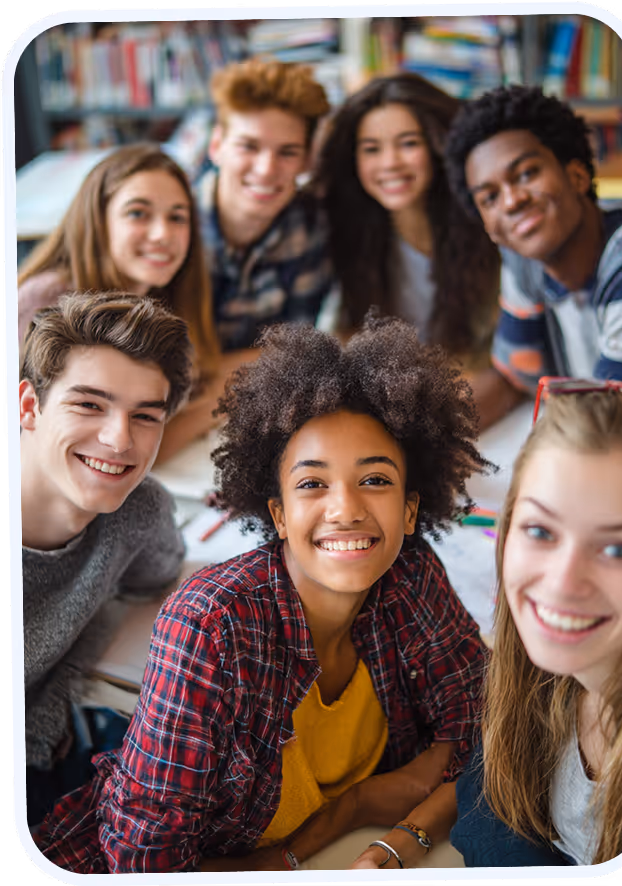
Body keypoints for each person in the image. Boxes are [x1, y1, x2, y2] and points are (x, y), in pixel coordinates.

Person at [35, 314, 489, 873]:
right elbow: (145, 869)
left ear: (410, 508)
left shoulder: (410, 575)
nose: (346, 509)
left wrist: (390, 837)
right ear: (277, 512)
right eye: (311, 484)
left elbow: (487, 728)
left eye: (374, 480)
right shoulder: (212, 626)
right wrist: (330, 827)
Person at [449, 378, 622, 866]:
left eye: (619, 549)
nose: (561, 582)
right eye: (540, 530)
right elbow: (487, 787)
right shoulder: (543, 683)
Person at [20, 291, 194, 827]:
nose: (120, 440)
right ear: (29, 407)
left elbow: (149, 581)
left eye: (145, 416)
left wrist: (61, 680)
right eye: (89, 404)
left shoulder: (137, 512)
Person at [443, 85, 622, 429]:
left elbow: (606, 426)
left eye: (527, 174)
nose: (511, 201)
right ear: (489, 226)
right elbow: (515, 375)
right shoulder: (525, 260)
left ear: (577, 176)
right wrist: (426, 436)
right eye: (489, 198)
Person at [17, 143, 222, 462]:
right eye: (138, 213)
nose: (162, 234)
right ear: (99, 220)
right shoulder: (46, 301)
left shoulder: (162, 297)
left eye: (177, 217)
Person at [314, 73, 500, 364]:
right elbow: (344, 336)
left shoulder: (488, 228)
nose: (390, 163)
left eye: (409, 143)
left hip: (479, 393)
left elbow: (499, 363)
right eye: (371, 149)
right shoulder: (350, 235)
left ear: (439, 145)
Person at [194, 58, 336, 362]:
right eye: (248, 146)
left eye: (287, 152)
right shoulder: (171, 224)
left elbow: (290, 357)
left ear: (307, 161)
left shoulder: (312, 229)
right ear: (216, 145)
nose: (266, 170)